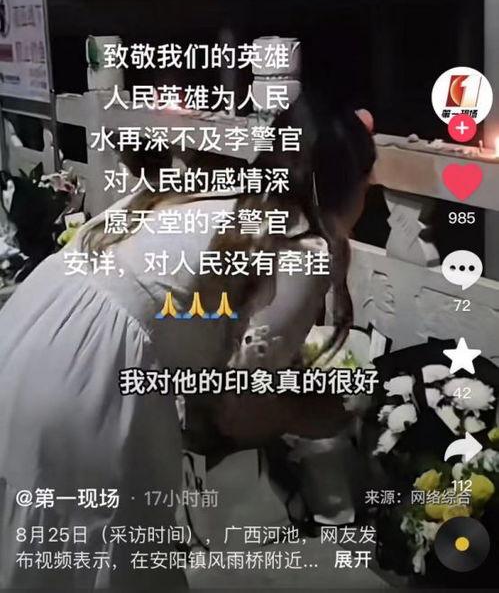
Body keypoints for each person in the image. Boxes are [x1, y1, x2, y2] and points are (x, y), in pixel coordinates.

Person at [0, 92, 375, 590]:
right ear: (356, 186)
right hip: (91, 374)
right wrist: (311, 415)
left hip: (35, 320)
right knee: (99, 544)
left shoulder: (208, 190)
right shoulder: (304, 247)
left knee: (40, 528)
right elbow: (237, 409)